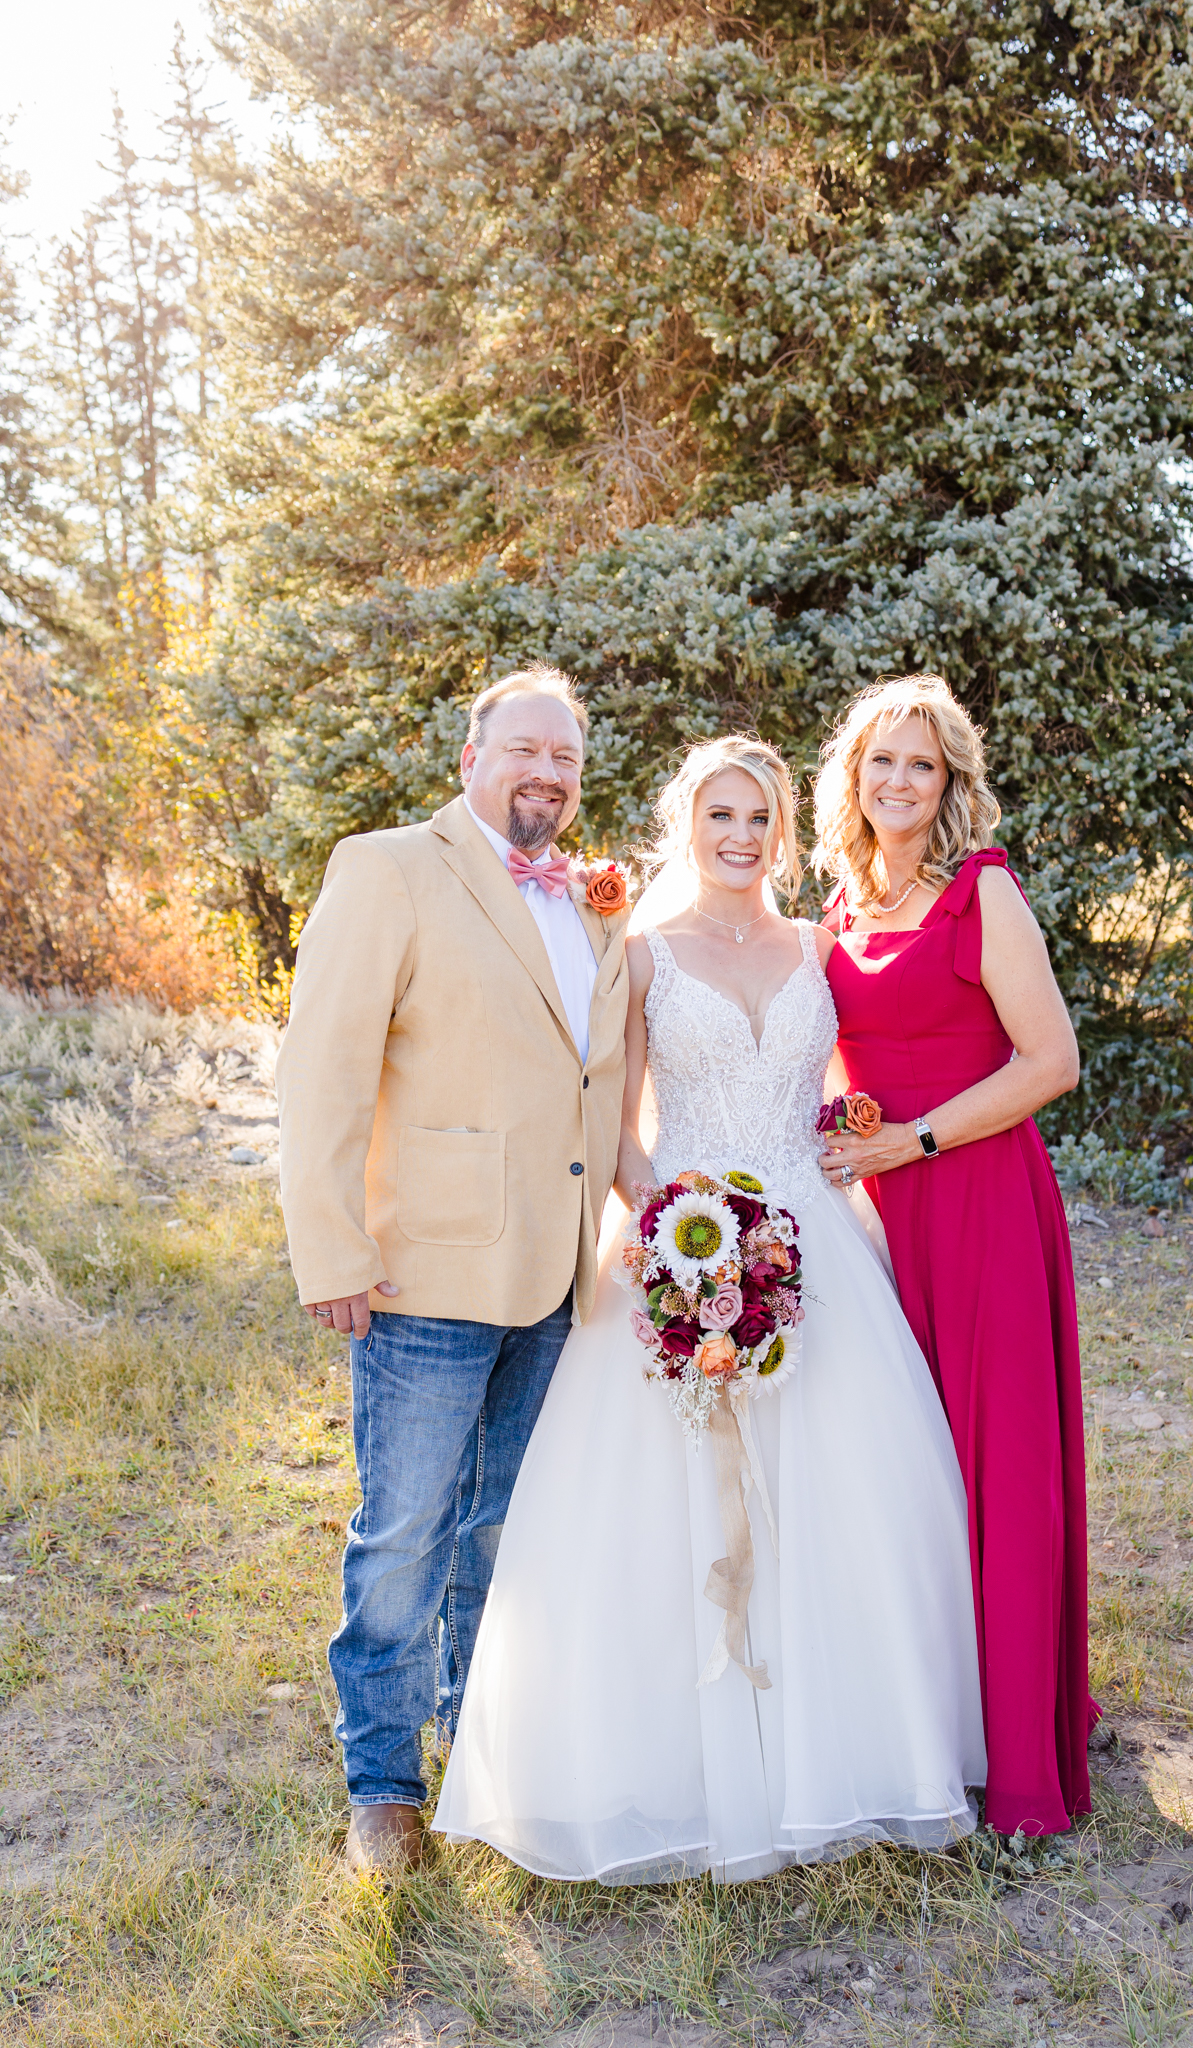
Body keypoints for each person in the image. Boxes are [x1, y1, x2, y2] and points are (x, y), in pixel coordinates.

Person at [432, 735, 985, 1884]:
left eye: (760, 817)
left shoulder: (820, 944)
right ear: (687, 824)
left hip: (814, 1244)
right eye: (720, 815)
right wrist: (673, 1223)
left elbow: (851, 1086)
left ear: (784, 832)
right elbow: (616, 1121)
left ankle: (840, 1748)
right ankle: (675, 1765)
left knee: (843, 1499)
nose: (740, 836)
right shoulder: (640, 954)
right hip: (683, 1238)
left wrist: (856, 1142)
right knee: (656, 1514)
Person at [275, 663, 632, 1876]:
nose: (547, 771)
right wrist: (331, 1244)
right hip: (422, 1271)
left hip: (556, 1270)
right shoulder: (387, 868)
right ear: (472, 758)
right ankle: (381, 1783)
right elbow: (322, 1067)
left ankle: (483, 1750)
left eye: (566, 757)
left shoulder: (590, 900)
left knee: (504, 1531)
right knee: (405, 1534)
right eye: (524, 748)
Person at [813, 672, 1094, 1838]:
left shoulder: (983, 893)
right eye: (881, 760)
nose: (899, 781)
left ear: (949, 783)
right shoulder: (838, 907)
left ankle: (1021, 1759)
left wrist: (919, 1137)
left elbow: (1052, 1060)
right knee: (908, 1470)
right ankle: (932, 1730)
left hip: (978, 1201)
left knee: (998, 1470)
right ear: (853, 776)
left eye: (921, 764)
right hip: (879, 1215)